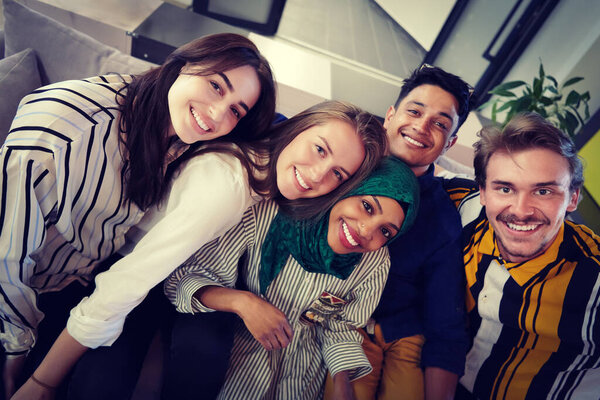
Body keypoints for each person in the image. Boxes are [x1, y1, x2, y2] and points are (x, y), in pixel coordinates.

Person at [11, 99, 388, 400]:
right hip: (132, 272)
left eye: (338, 173)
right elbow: (126, 283)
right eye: (320, 149)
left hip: (186, 279)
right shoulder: (225, 188)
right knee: (102, 385)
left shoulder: (273, 173)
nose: (319, 174)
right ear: (298, 128)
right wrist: (44, 382)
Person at [0, 32, 277, 399]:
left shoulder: (179, 136)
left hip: (78, 279)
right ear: (184, 63)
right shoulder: (62, 135)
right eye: (215, 86)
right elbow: (7, 258)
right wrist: (16, 351)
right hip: (21, 304)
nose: (216, 113)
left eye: (235, 110)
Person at [163, 156, 420, 399]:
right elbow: (184, 279)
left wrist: (342, 386)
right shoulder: (268, 215)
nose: (366, 230)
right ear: (347, 189)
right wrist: (243, 303)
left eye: (385, 231)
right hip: (238, 352)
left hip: (304, 371)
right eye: (366, 206)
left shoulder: (374, 261)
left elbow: (341, 326)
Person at [325, 64, 474, 400]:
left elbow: (445, 324)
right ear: (389, 116)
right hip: (343, 323)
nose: (422, 127)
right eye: (414, 111)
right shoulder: (345, 166)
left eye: (440, 123)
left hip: (406, 332)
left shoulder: (442, 219)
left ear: (450, 142)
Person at [445, 112, 600, 399]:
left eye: (543, 191)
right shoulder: (460, 207)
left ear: (572, 198)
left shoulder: (595, 281)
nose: (521, 209)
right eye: (505, 188)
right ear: (482, 191)